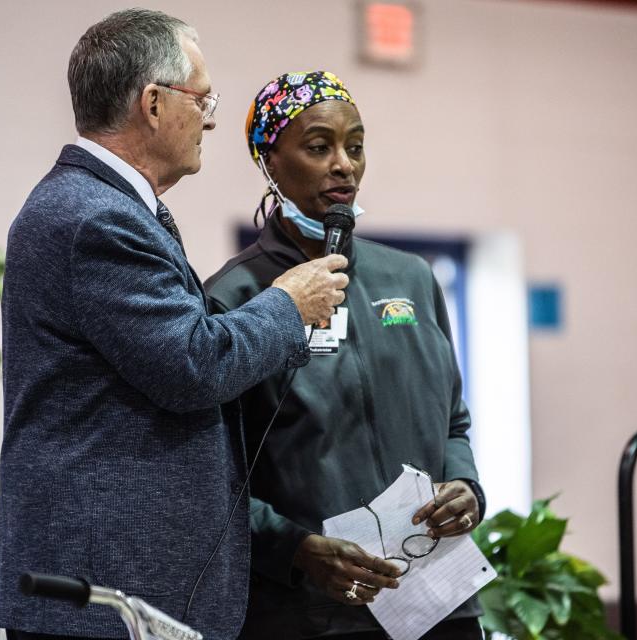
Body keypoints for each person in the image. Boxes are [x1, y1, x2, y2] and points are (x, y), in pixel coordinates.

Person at [0, 15, 349, 640]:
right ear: (153, 103)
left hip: (122, 579)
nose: (210, 119)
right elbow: (192, 365)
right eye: (203, 98)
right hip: (107, 587)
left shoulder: (107, 206)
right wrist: (289, 302)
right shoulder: (92, 217)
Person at [205, 71, 488, 640]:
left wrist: (467, 488)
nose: (344, 165)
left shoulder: (410, 278)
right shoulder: (234, 299)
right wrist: (296, 549)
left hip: (440, 605)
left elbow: (453, 423)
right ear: (269, 160)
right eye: (319, 146)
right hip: (312, 615)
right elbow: (212, 478)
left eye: (355, 146)